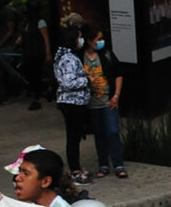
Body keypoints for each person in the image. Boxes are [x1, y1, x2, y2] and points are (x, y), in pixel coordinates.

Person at [80, 25, 126, 179]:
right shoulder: (80, 56)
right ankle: (103, 164)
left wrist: (116, 96)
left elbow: (118, 74)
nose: (101, 42)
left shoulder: (106, 54)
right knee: (99, 134)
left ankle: (118, 164)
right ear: (89, 40)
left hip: (108, 101)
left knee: (112, 132)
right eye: (98, 39)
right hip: (91, 103)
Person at [52, 26, 92, 184]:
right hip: (71, 103)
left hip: (72, 102)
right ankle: (75, 170)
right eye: (79, 37)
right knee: (73, 137)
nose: (81, 40)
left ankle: (76, 168)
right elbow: (68, 82)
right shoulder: (68, 59)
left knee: (74, 135)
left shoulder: (65, 56)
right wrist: (87, 80)